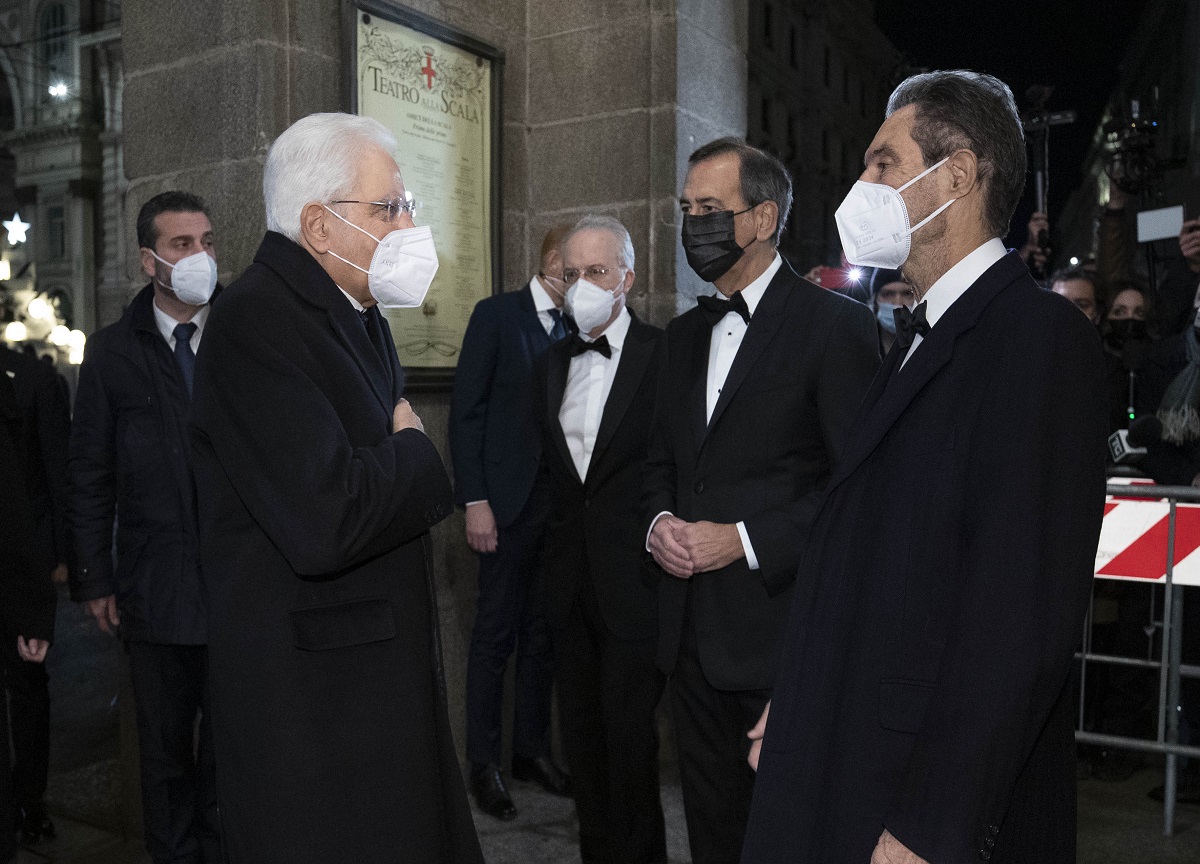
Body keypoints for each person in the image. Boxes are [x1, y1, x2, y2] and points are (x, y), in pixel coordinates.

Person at [741, 70, 1109, 864]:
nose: (862, 186)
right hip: (846, 745)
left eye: (883, 163)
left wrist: (933, 826)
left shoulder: (1038, 339)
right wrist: (798, 700)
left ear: (958, 175)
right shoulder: (918, 334)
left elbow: (1018, 616)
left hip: (914, 800)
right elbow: (865, 552)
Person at [188, 112, 482, 864]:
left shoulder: (355, 313)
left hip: (366, 681)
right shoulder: (255, 318)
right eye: (389, 208)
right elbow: (326, 517)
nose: (409, 226)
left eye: (408, 206)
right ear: (319, 226)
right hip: (313, 702)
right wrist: (416, 454)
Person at [643, 137, 879, 864]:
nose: (694, 225)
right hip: (689, 644)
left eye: (711, 208)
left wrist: (743, 539)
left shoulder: (835, 327)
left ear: (763, 218)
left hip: (785, 644)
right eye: (687, 210)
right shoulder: (681, 336)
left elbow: (858, 495)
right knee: (711, 838)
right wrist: (657, 522)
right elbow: (659, 463)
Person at [69, 191, 221, 864]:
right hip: (155, 590)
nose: (200, 257)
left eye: (207, 242)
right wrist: (94, 578)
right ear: (148, 261)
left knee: (231, 756)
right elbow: (89, 475)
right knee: (163, 758)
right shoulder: (111, 353)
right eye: (182, 245)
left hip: (238, 586)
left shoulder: (241, 336)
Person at [535, 215, 666, 864]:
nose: (582, 284)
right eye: (571, 273)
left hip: (636, 583)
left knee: (631, 751)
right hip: (568, 587)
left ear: (627, 278)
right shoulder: (549, 363)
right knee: (583, 750)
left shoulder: (663, 355)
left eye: (597, 271)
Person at [449, 227, 572, 819]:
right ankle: (485, 765)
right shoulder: (497, 316)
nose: (584, 281)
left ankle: (531, 751)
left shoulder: (577, 326)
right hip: (503, 506)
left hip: (558, 510)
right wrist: (475, 500)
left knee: (542, 636)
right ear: (552, 262)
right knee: (495, 637)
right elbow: (466, 413)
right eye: (577, 269)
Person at [0, 342, 68, 853]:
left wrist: (57, 563)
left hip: (21, 568)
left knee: (26, 687)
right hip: (23, 567)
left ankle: (29, 800)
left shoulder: (32, 381)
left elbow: (50, 480)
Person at [868, 267, 915, 355]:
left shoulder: (930, 343)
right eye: (887, 294)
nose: (898, 303)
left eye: (907, 294)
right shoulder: (860, 345)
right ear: (874, 302)